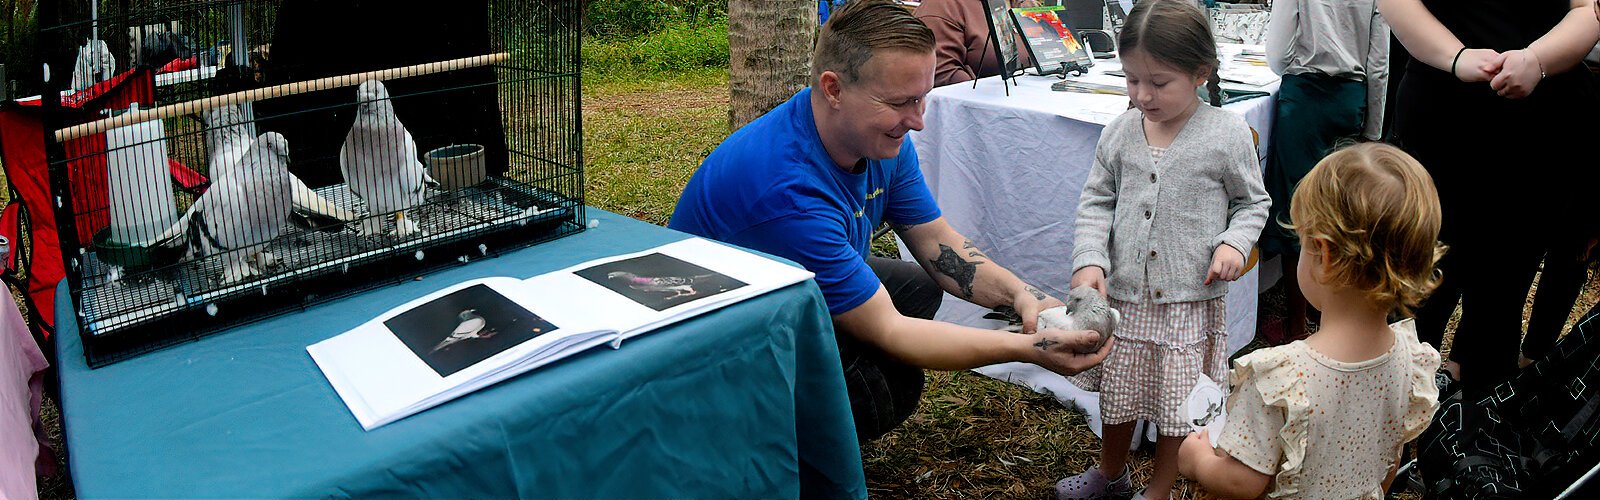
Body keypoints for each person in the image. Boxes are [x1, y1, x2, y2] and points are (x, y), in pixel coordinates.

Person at [669, 0, 1113, 442]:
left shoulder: (875, 138)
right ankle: (772, 439)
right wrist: (1030, 350)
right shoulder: (787, 192)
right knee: (886, 388)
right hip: (714, 348)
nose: (918, 122)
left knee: (917, 288)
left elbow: (936, 241)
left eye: (922, 98)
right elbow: (891, 329)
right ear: (833, 89)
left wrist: (1023, 296)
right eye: (901, 102)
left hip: (783, 293)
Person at [1053, 2, 1270, 498]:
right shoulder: (1121, 131)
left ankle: (1161, 486)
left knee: (1179, 406)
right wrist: (1090, 258)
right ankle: (1111, 473)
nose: (1142, 95)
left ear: (1200, 74)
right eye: (1132, 80)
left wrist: (1234, 244)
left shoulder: (1227, 135)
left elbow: (1252, 202)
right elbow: (1097, 199)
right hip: (1126, 300)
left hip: (1187, 304)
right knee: (1120, 395)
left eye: (1158, 82)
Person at [1176, 142, 1444, 499]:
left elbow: (1241, 482)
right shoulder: (1411, 360)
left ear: (1326, 256)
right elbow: (1389, 462)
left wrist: (1197, 461)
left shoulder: (1281, 380)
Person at [1379, 0, 1600, 396]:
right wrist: (1456, 57)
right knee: (1418, 285)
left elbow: (1588, 8)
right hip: (1441, 120)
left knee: (1502, 294)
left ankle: (1476, 430)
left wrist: (1538, 59)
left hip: (1539, 132)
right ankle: (1391, 421)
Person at [1257, 0, 1389, 343]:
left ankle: (1297, 326)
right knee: (1340, 210)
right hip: (1350, 98)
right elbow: (1379, 64)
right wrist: (1372, 132)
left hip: (1305, 100)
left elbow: (1278, 55)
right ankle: (1335, 316)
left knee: (1296, 213)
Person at [914, 0, 1036, 86]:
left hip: (1035, 108)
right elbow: (942, 74)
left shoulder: (1027, 3)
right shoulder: (943, 5)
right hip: (980, 114)